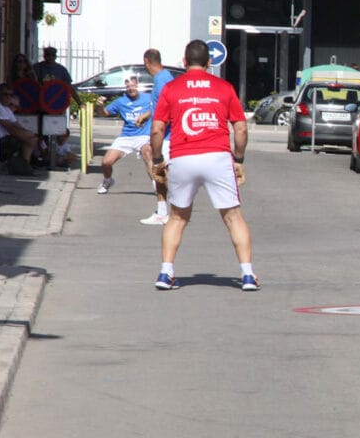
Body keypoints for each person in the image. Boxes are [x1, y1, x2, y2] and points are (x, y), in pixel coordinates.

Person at [149, 39, 255, 292]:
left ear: (184, 62)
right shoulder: (224, 87)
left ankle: (166, 273)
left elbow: (157, 129)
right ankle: (248, 276)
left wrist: (157, 161)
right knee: (233, 217)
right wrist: (238, 160)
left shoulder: (171, 88)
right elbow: (240, 128)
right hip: (217, 157)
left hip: (183, 156)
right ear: (209, 62)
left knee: (177, 217)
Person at [95, 76, 155, 193]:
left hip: (144, 136)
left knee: (147, 154)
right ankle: (107, 180)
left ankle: (156, 185)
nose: (130, 89)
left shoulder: (148, 98)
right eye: (128, 87)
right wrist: (100, 106)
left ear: (137, 85)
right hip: (126, 136)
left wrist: (147, 115)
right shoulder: (121, 101)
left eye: (132, 86)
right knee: (106, 162)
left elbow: (159, 108)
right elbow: (104, 113)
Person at [141, 48, 176, 225]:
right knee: (149, 157)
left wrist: (159, 133)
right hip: (162, 134)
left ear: (146, 61)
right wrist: (147, 116)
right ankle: (163, 208)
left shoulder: (163, 80)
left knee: (158, 166)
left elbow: (168, 109)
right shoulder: (161, 78)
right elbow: (158, 107)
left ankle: (169, 210)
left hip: (166, 136)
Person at [0, 83, 39, 174]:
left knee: (32, 139)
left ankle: (25, 166)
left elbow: (17, 125)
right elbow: (10, 127)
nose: (8, 97)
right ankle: (24, 167)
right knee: (28, 140)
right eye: (5, 94)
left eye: (10, 95)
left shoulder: (7, 109)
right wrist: (27, 136)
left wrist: (29, 134)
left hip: (8, 138)